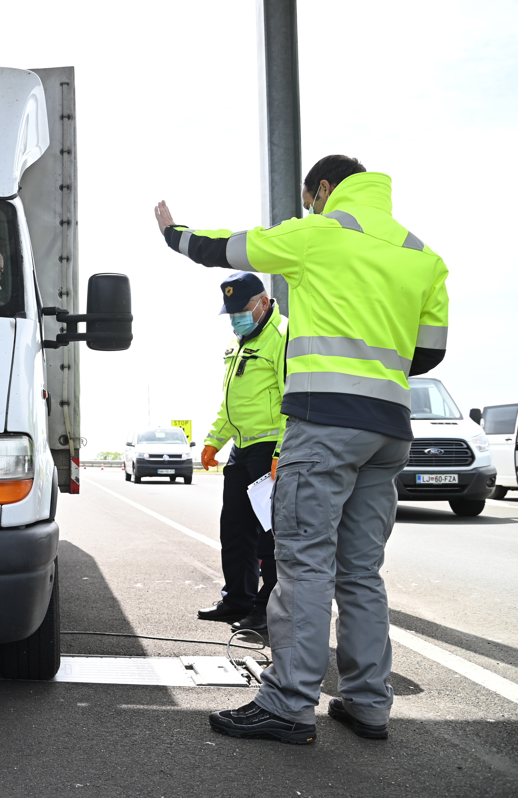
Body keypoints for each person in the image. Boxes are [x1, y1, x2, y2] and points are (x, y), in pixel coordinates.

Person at [154, 155, 449, 745]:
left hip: (326, 424)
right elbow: (430, 354)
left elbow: (230, 248)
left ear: (322, 189)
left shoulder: (319, 233)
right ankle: (368, 703)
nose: (309, 207)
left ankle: (289, 703)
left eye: (311, 198)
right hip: (388, 430)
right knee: (361, 572)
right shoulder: (423, 254)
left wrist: (172, 235)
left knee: (304, 564)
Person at [195, 272, 287, 637]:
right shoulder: (241, 342)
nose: (235, 318)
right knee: (234, 529)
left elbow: (291, 398)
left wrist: (283, 450)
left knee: (269, 536)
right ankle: (237, 599)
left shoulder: (282, 338)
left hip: (269, 448)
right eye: (231, 312)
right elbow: (231, 404)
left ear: (263, 303)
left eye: (241, 310)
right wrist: (213, 440)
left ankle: (266, 610)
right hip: (242, 447)